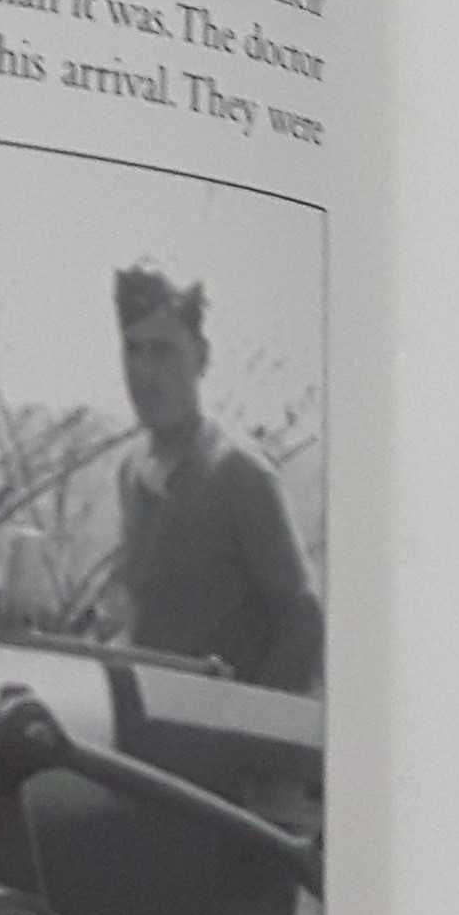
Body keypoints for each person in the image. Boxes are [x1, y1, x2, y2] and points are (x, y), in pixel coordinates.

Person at [110, 263, 322, 694]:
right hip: (151, 727)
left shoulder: (236, 471)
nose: (146, 373)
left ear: (201, 357)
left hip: (222, 739)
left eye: (164, 351)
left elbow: (304, 620)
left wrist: (250, 726)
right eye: (133, 350)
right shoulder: (131, 471)